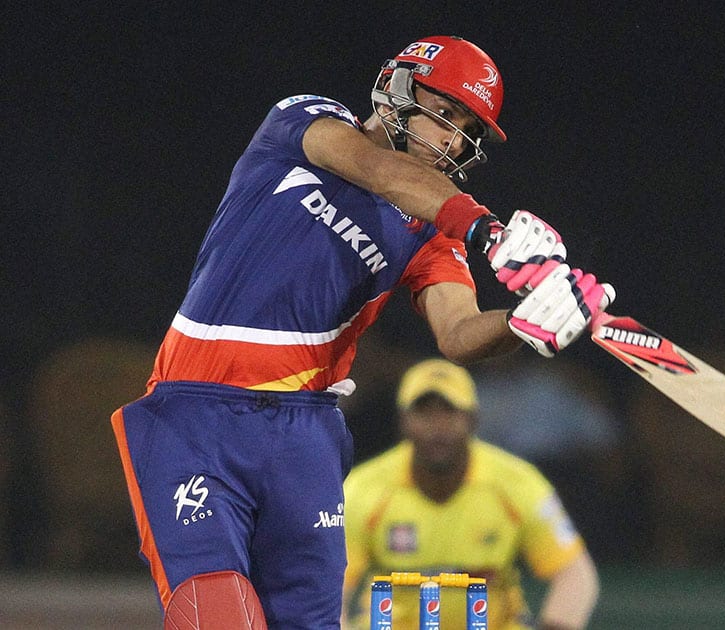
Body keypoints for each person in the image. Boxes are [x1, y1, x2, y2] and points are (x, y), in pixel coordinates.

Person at [110, 35, 614, 629]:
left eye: (466, 130)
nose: (452, 139)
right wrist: (487, 229)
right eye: (445, 113)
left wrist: (525, 323)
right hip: (197, 415)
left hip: (306, 439)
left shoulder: (433, 236)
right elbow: (377, 169)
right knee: (216, 615)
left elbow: (458, 334)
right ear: (398, 87)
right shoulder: (304, 124)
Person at [340, 358, 600, 630]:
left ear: (473, 419)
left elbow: (576, 575)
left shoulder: (516, 483)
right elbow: (329, 585)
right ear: (403, 422)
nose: (437, 427)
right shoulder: (363, 489)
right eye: (424, 413)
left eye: (450, 412)